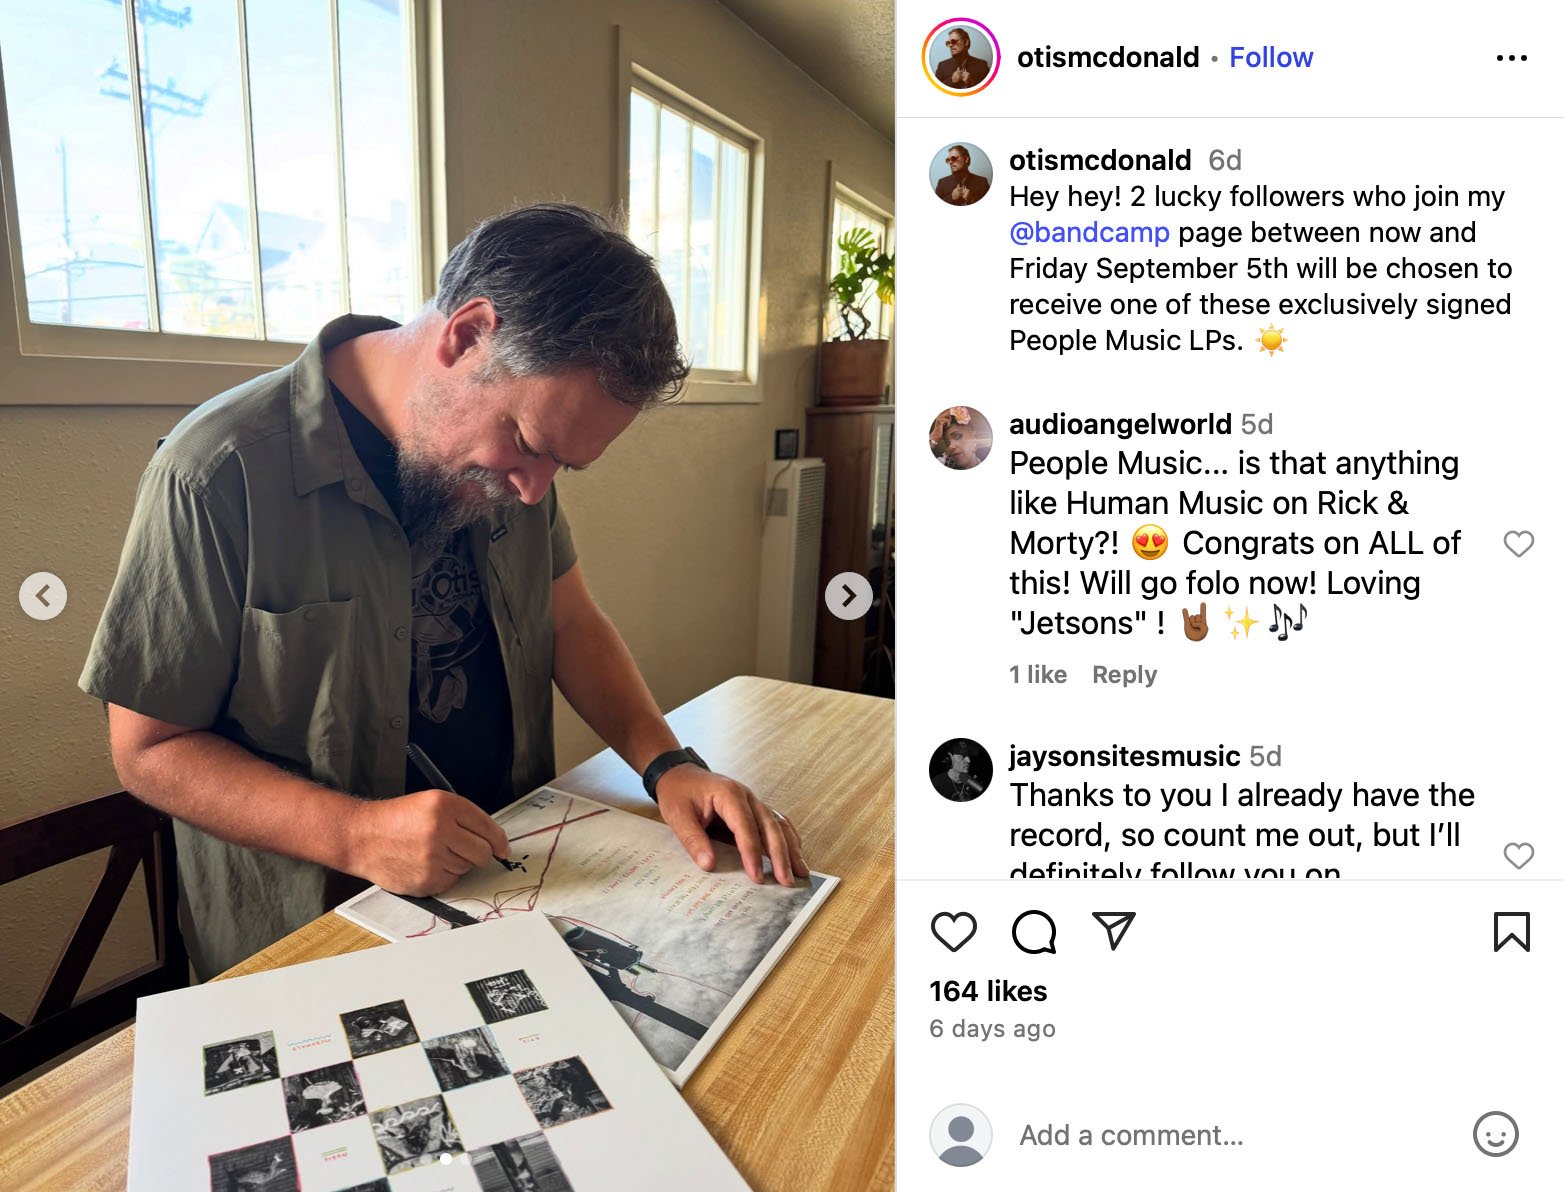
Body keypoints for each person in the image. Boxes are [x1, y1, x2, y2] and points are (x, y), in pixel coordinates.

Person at [80, 204, 808, 978]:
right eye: (527, 444)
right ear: (466, 335)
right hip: (311, 938)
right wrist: (355, 833)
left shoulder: (520, 467)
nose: (533, 491)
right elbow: (149, 752)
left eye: (563, 465)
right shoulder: (216, 474)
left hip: (519, 884)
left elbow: (568, 620)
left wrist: (667, 765)